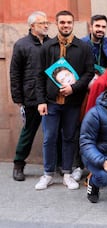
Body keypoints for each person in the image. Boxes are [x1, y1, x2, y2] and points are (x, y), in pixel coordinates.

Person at [35, 10, 95, 190]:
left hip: (73, 103)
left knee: (69, 138)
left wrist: (73, 88)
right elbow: (38, 76)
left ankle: (67, 174)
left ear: (73, 24)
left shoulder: (83, 47)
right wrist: (41, 101)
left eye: (69, 22)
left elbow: (89, 72)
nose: (66, 25)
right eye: (62, 22)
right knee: (49, 138)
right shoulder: (47, 47)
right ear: (57, 24)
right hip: (51, 102)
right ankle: (47, 174)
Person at [9, 11, 50, 181]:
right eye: (42, 23)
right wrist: (18, 98)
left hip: (50, 95)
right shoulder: (21, 45)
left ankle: (60, 165)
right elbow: (15, 73)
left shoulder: (51, 43)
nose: (46, 25)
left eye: (47, 22)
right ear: (32, 26)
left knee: (55, 131)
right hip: (30, 96)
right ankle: (18, 164)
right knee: (28, 132)